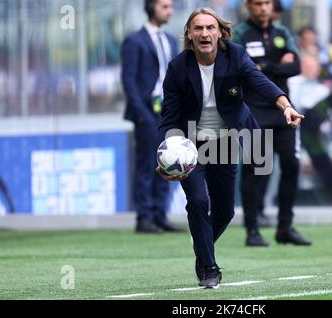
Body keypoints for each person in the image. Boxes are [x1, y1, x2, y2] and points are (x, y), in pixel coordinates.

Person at [156, 7, 305, 288]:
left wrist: (285, 105)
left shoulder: (234, 55)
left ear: (220, 32)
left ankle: (202, 246)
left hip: (225, 141)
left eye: (210, 28)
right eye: (198, 28)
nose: (204, 33)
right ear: (189, 33)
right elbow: (169, 117)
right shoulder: (178, 67)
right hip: (190, 144)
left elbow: (259, 81)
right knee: (198, 201)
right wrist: (164, 153)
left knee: (225, 211)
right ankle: (209, 267)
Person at [233, 0, 312, 247]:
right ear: (248, 6)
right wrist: (278, 65)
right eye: (258, 3)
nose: (264, 8)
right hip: (254, 112)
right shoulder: (240, 34)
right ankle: (252, 229)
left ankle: (284, 227)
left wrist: (265, 66)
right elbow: (241, 68)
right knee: (256, 171)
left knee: (291, 165)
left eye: (267, 3)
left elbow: (296, 65)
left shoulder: (282, 32)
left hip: (282, 110)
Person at [121, 0, 185, 233]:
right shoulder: (134, 41)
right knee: (146, 164)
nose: (169, 11)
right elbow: (129, 81)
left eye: (170, 7)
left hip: (167, 111)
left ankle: (160, 215)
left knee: (167, 162)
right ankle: (144, 217)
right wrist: (141, 114)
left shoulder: (169, 40)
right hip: (146, 111)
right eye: (164, 6)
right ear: (151, 8)